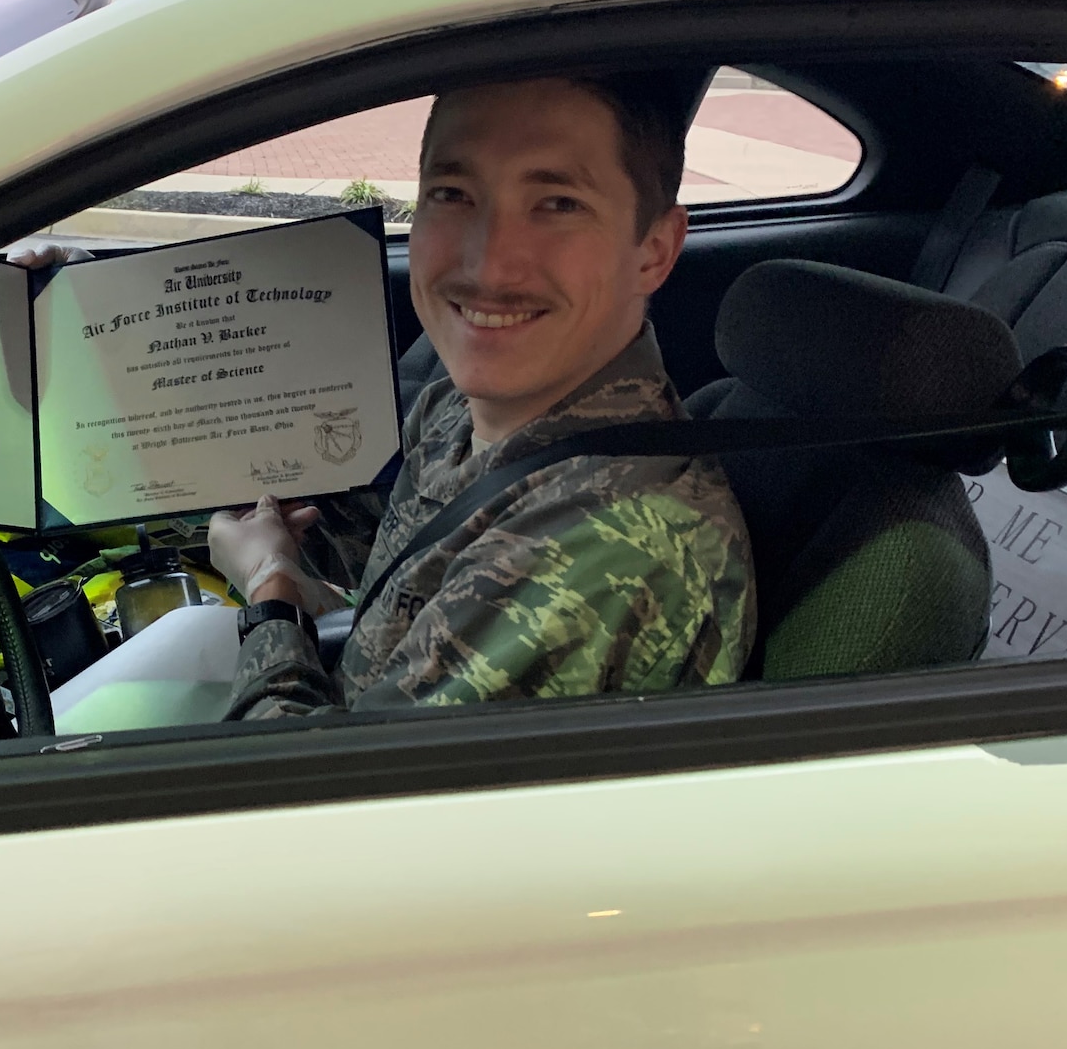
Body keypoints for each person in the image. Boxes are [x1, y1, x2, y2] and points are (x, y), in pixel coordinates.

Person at [209, 75, 756, 719]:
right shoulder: (460, 408)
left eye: (557, 204)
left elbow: (310, 808)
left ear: (654, 251)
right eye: (452, 194)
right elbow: (402, 564)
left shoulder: (607, 546)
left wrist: (271, 594)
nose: (488, 264)